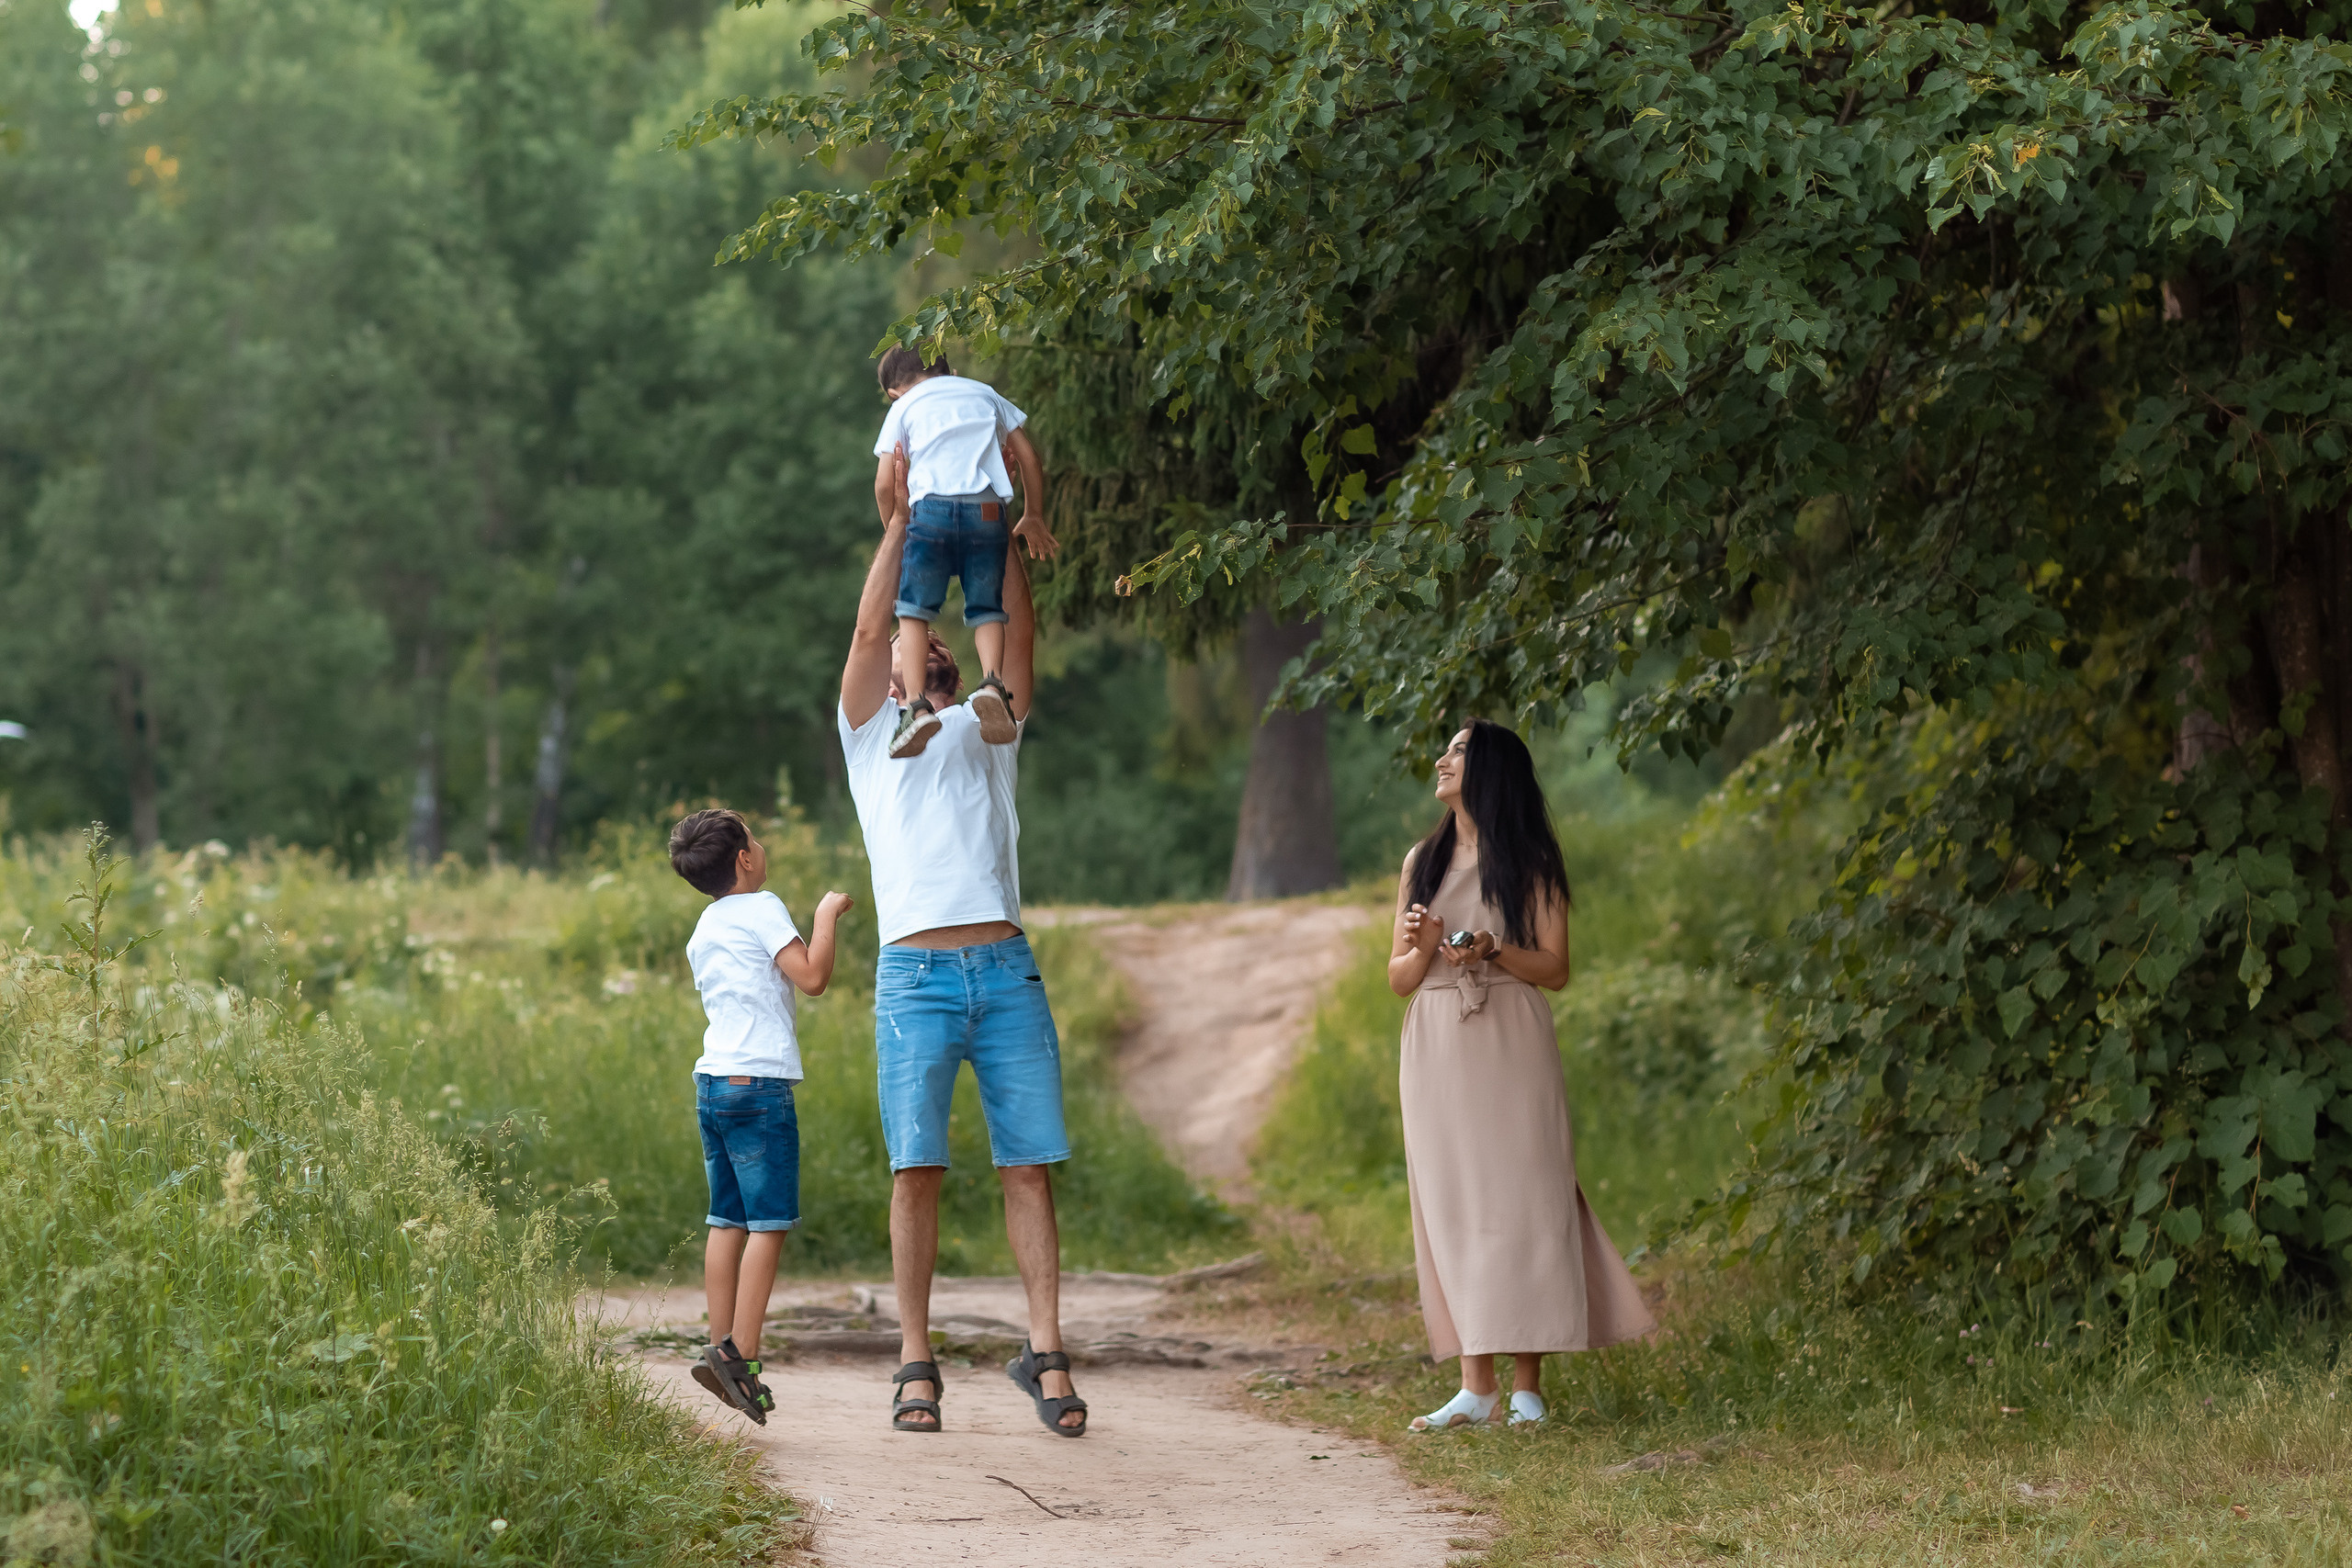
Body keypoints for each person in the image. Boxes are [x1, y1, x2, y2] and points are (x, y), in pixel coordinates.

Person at [837, 445, 1088, 1438]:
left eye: (940, 645)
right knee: (917, 1170)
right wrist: (902, 519)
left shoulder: (993, 722)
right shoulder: (873, 737)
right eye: (919, 642)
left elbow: (1014, 631)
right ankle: (915, 1359)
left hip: (1005, 969)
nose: (927, 647)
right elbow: (871, 627)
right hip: (915, 976)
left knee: (1028, 1165)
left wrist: (999, 526)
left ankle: (1046, 1352)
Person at [1386, 718, 1655, 1431]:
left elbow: (1556, 968)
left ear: (1491, 769)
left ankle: (1527, 1386)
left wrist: (1494, 949)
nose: (1441, 759)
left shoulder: (1532, 859)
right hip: (1437, 1041)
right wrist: (1422, 946)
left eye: (1458, 750)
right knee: (1453, 1200)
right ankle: (1474, 1387)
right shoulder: (1422, 860)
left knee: (1527, 1196)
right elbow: (1399, 977)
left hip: (1511, 1037)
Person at [667, 807, 854, 1426]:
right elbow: (813, 977)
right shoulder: (763, 906)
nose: (761, 843)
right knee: (768, 1223)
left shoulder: (704, 925)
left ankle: (719, 1342)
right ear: (745, 859)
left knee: (727, 1219)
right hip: (759, 1086)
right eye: (755, 837)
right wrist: (825, 914)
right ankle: (740, 1354)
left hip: (713, 1083)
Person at [871, 346, 1059, 760]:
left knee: (914, 610)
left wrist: (896, 533)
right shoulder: (984, 393)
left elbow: (885, 484)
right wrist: (1032, 515)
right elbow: (1028, 457)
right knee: (987, 607)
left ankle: (917, 706)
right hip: (987, 511)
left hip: (930, 513)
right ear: (950, 372)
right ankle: (992, 683)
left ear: (893, 393)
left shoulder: (903, 409)